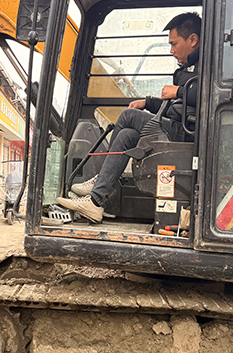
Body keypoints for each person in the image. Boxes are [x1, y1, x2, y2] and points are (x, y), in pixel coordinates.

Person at [57, 12, 201, 223]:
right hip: (178, 126)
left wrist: (179, 91)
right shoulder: (186, 69)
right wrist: (148, 102)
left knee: (127, 116)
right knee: (125, 135)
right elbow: (176, 108)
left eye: (174, 44)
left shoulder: (208, 63)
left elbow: (210, 94)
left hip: (189, 133)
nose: (171, 51)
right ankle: (97, 200)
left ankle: (101, 181)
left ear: (193, 39)